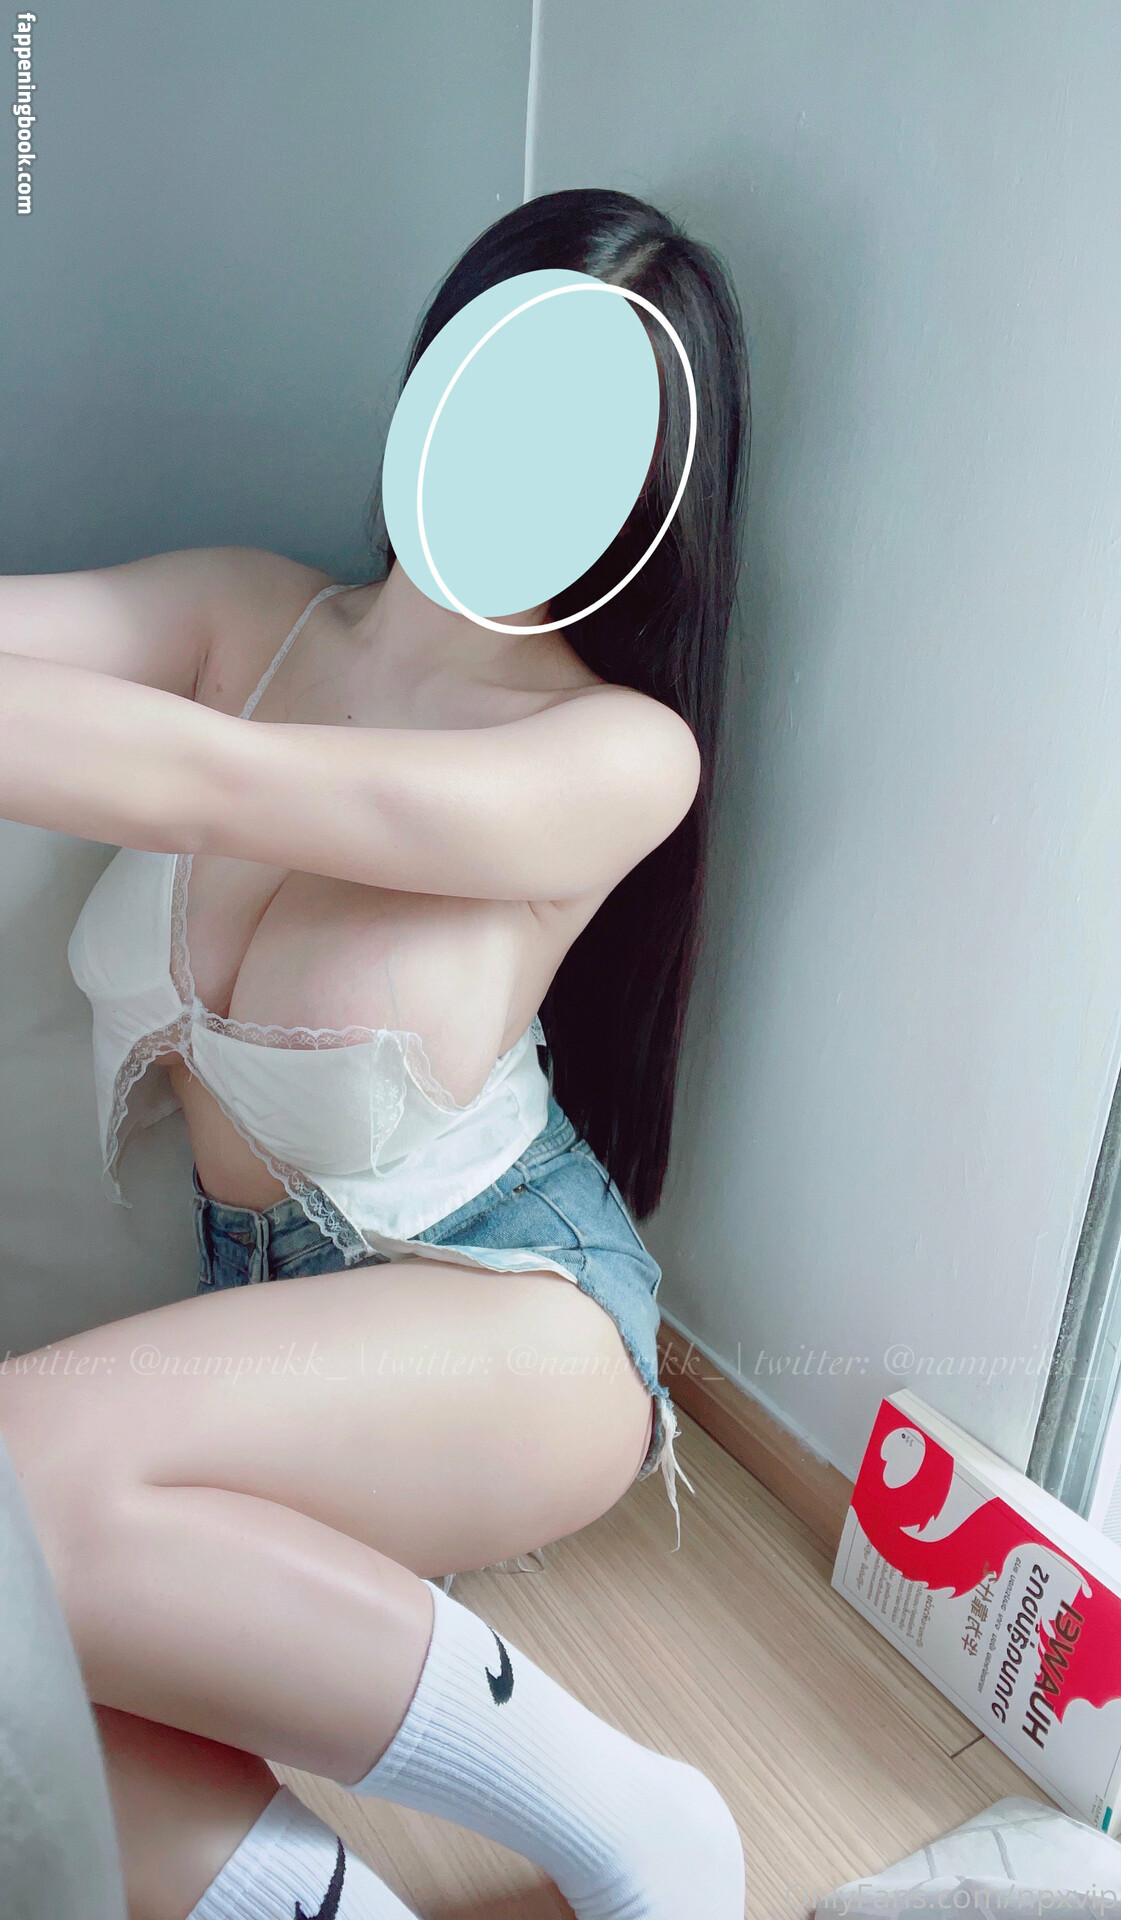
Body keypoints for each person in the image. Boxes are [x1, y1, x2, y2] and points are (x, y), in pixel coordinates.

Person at [0, 188, 750, 1920]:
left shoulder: (615, 753)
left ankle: (637, 1823)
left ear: (652, 487)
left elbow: (216, 782)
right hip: (255, 1324)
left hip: (508, 1310)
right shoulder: (245, 613)